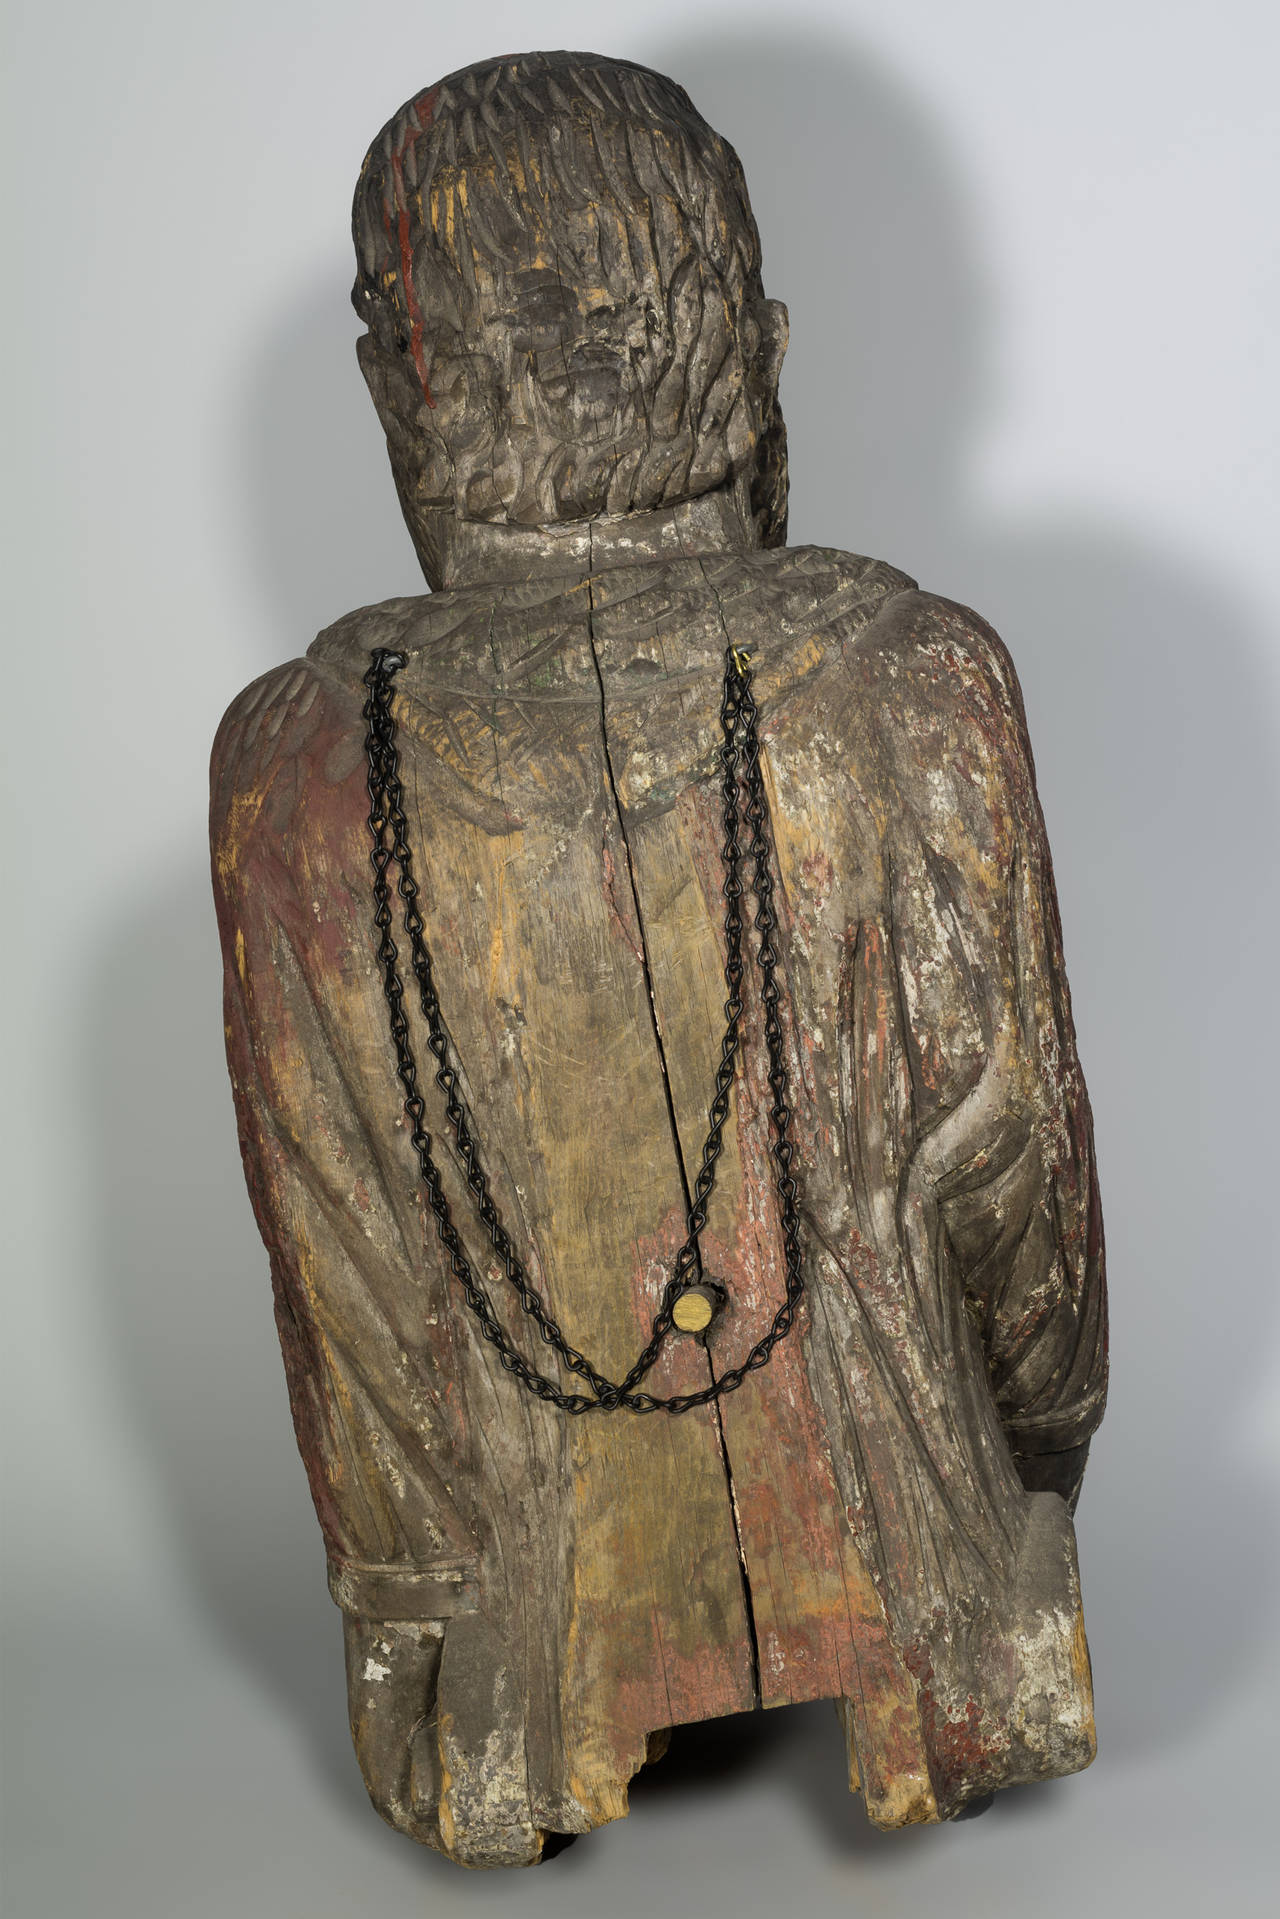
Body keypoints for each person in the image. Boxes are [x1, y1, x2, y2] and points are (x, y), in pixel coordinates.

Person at [211, 51, 1106, 1868]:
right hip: (924, 1551)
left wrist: (409, 1632)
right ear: (755, 349)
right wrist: (1044, 1473)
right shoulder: (913, 684)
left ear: (411, 386)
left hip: (519, 1632)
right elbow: (1024, 1205)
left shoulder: (301, 765)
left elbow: (354, 1298)